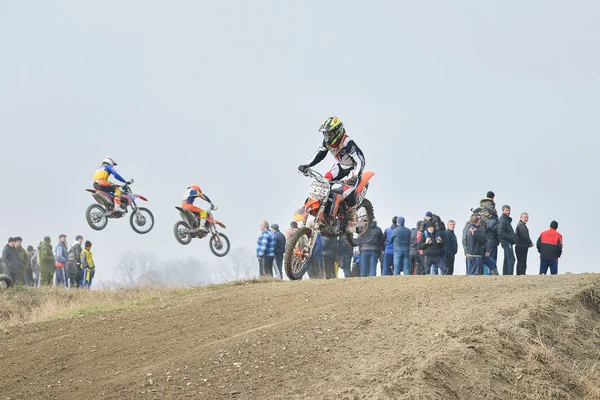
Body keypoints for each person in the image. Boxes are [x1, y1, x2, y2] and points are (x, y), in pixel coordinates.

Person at [298, 117, 366, 233]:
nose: (328, 136)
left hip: (353, 168)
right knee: (323, 183)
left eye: (330, 133)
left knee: (347, 191)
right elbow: (319, 154)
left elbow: (361, 160)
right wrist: (307, 165)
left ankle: (351, 219)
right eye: (326, 133)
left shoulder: (347, 143)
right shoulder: (327, 141)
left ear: (338, 131)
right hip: (340, 166)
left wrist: (355, 176)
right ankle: (325, 210)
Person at [497, 205, 517, 275]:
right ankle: (509, 275)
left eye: (509, 210)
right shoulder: (502, 220)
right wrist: (511, 237)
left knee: (507, 259)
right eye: (506, 210)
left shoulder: (506, 220)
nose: (508, 212)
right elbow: (501, 232)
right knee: (511, 259)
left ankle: (505, 275)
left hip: (507, 242)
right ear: (503, 211)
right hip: (506, 242)